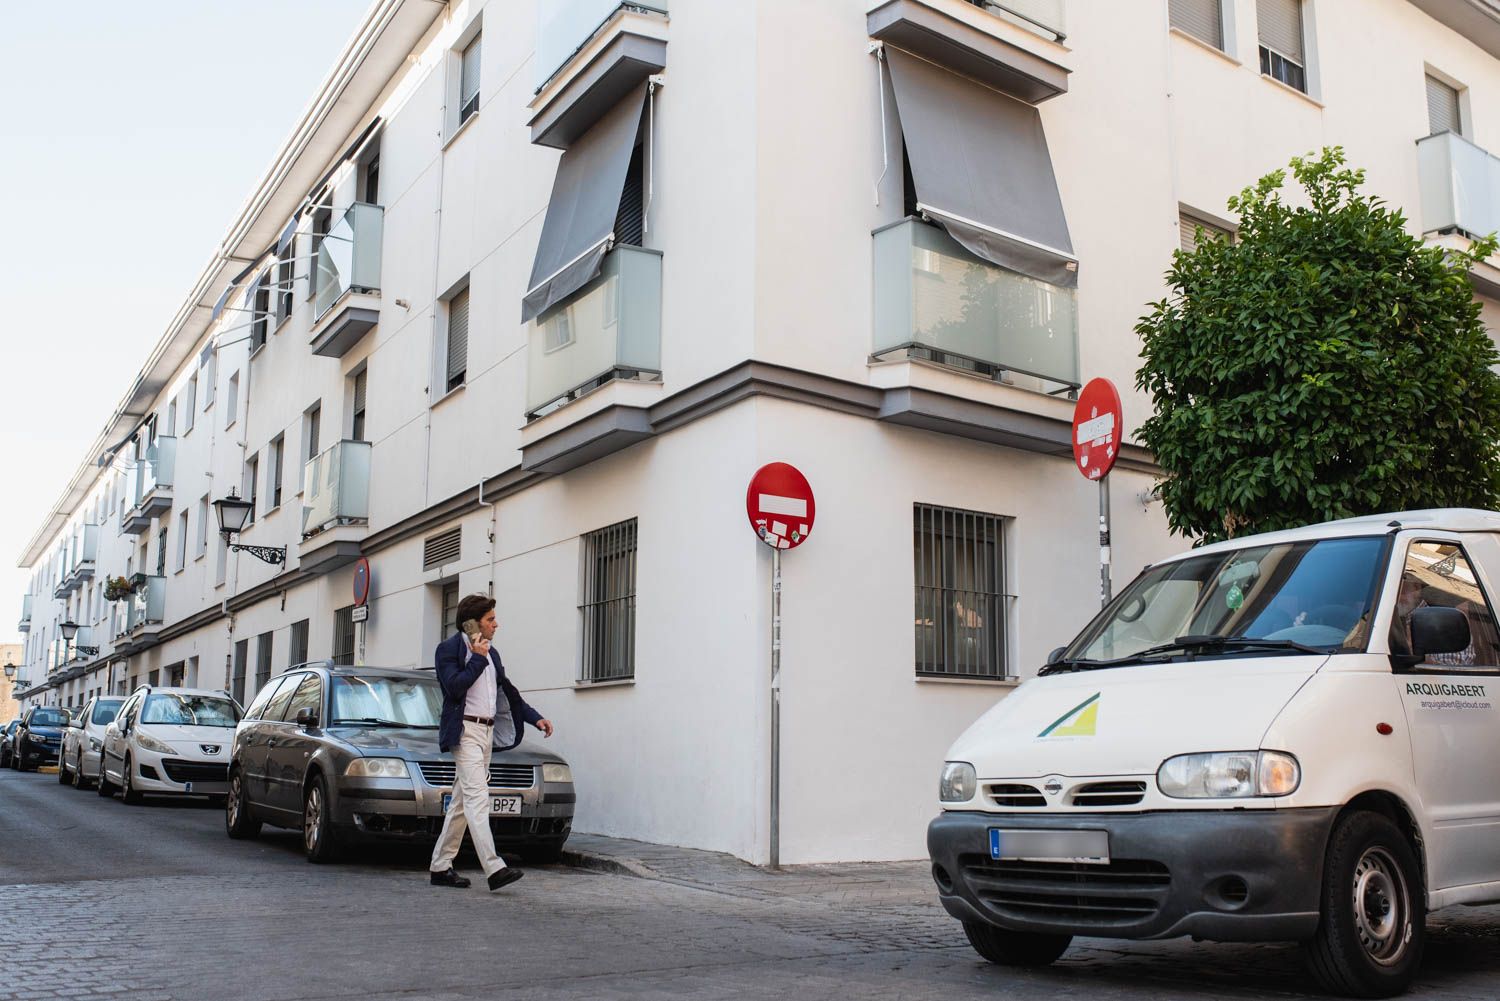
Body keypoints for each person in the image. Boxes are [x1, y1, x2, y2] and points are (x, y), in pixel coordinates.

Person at [429, 593, 554, 891]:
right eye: (490, 619)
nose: (496, 624)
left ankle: (440, 866)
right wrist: (477, 658)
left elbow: (507, 694)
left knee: (461, 803)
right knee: (477, 798)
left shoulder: (493, 654)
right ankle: (494, 867)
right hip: (465, 732)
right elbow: (454, 687)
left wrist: (535, 718)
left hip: (486, 734)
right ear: (471, 624)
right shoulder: (448, 650)